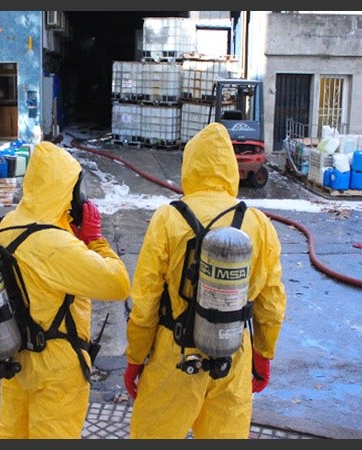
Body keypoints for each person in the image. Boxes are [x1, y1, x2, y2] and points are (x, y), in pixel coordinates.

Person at [123, 122, 288, 439]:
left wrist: (135, 358)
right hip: (232, 356)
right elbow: (272, 303)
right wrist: (263, 356)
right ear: (229, 166)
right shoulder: (258, 223)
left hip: (176, 356)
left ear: (190, 165)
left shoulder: (168, 219)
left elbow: (145, 302)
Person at [0, 141, 131, 438]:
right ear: (66, 191)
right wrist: (94, 239)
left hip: (16, 357)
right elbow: (118, 284)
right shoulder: (56, 245)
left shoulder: (5, 225)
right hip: (56, 369)